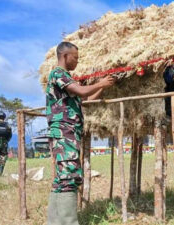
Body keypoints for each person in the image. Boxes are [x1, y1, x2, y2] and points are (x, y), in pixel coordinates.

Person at [46, 41, 115, 225]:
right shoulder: (58, 73)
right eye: (75, 57)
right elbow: (81, 90)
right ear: (65, 56)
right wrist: (100, 82)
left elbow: (85, 97)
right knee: (68, 176)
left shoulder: (67, 79)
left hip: (68, 133)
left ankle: (54, 222)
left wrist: (103, 86)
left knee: (64, 178)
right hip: (63, 132)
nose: (77, 61)